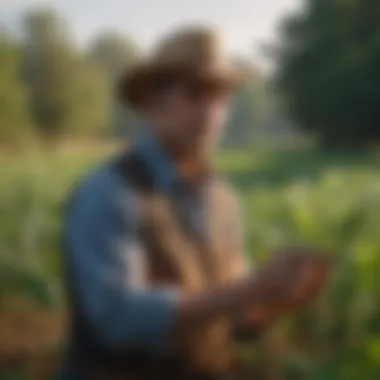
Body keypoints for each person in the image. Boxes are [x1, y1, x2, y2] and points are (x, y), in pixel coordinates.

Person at [60, 25, 331, 380]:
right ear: (150, 100)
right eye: (195, 93)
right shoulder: (109, 193)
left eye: (221, 96)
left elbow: (232, 319)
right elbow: (118, 320)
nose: (211, 110)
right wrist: (254, 287)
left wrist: (276, 303)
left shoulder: (221, 199)